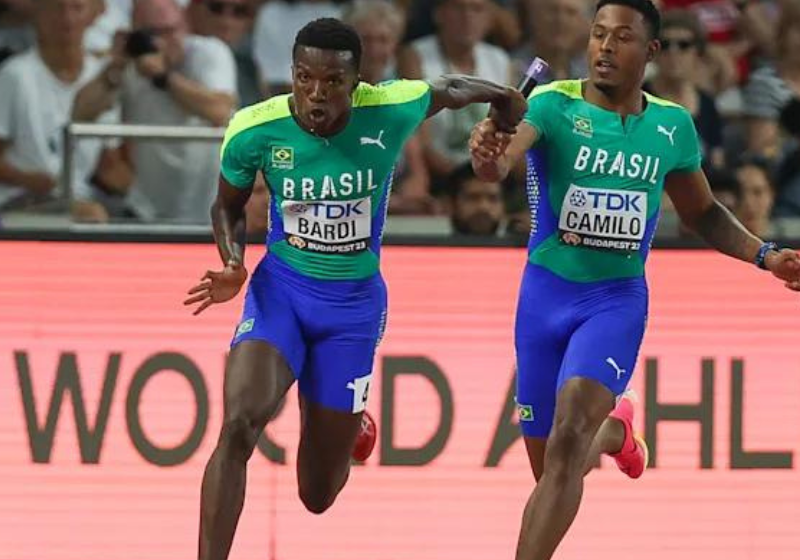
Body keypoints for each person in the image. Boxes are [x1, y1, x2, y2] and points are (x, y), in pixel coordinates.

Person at [184, 17, 527, 560]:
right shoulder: (254, 127)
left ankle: (350, 424)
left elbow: (451, 87)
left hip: (352, 310)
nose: (316, 94)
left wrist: (505, 100)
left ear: (357, 82)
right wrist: (232, 262)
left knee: (317, 494)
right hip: (281, 294)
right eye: (304, 78)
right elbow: (227, 206)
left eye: (332, 82)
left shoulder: (390, 106)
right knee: (237, 426)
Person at [469, 1, 800, 559]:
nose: (604, 46)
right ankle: (617, 430)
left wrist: (765, 255)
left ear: (651, 51)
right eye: (598, 34)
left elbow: (703, 212)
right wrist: (487, 150)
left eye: (621, 37)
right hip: (543, 298)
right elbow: (497, 164)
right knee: (553, 467)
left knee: (569, 440)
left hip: (614, 301)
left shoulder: (672, 126)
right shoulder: (552, 104)